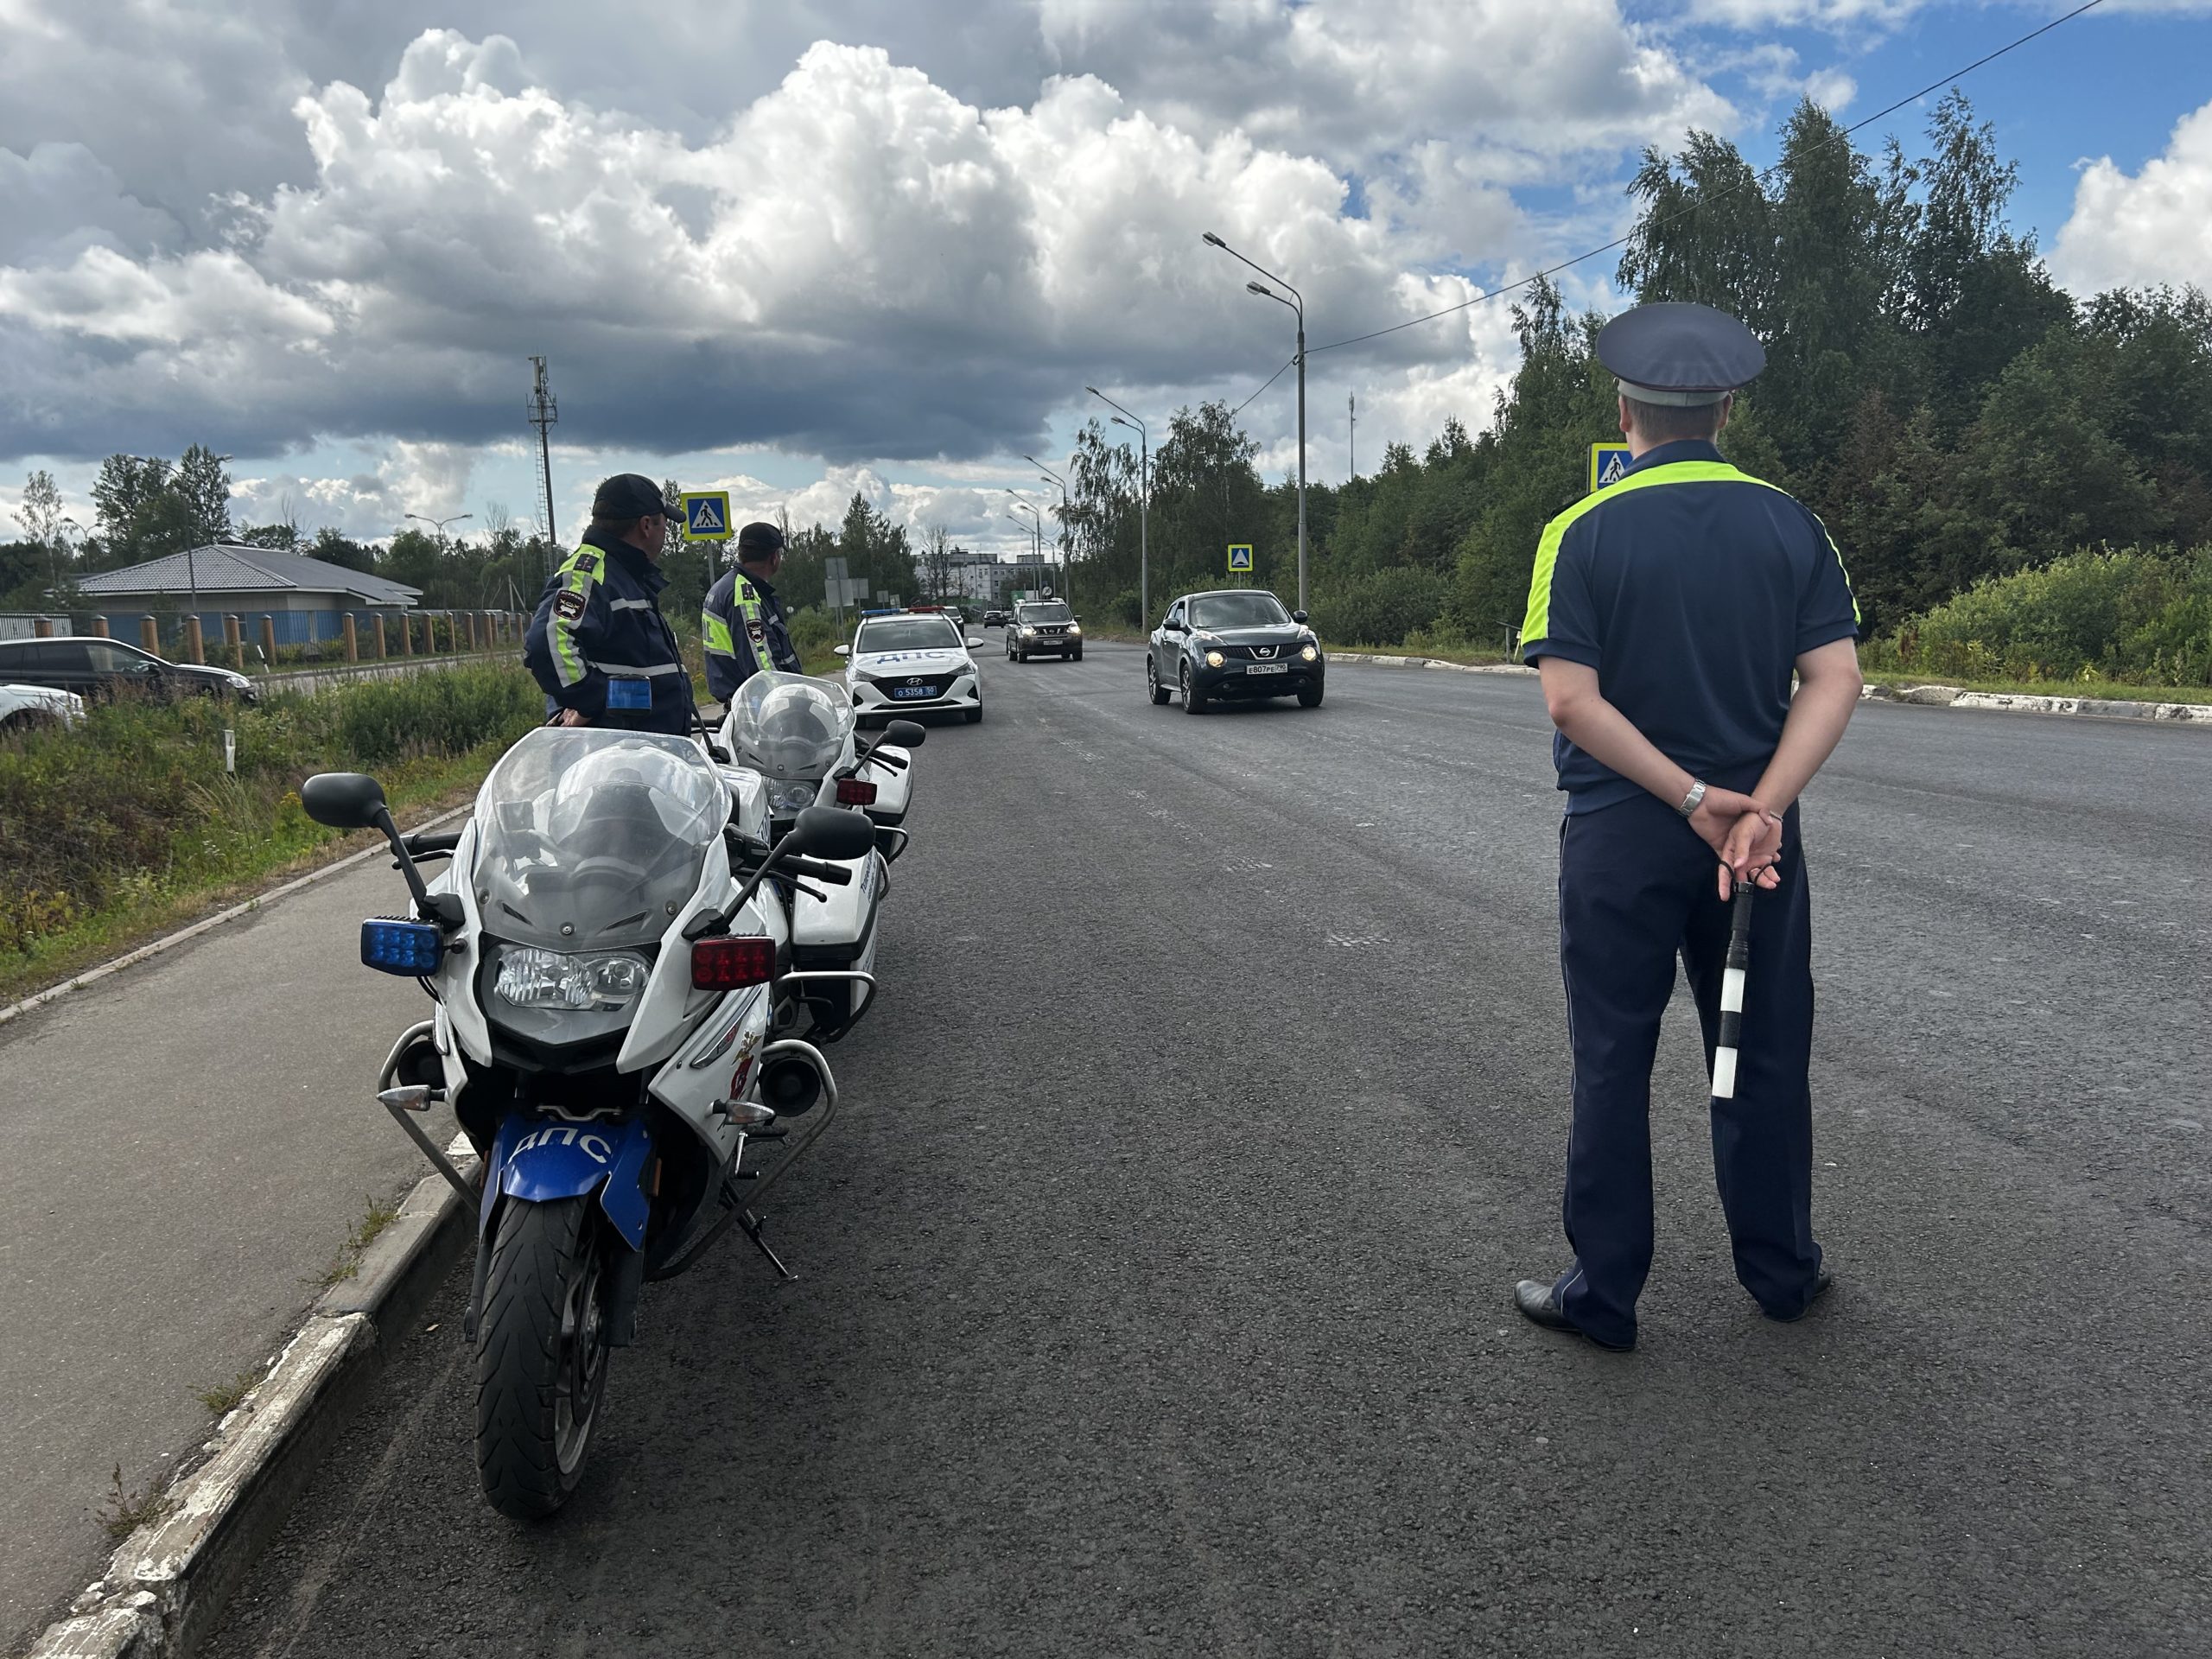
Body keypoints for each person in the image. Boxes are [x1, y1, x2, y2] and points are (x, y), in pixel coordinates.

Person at [1512, 301, 1864, 1353]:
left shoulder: (1576, 531)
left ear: (1626, 414)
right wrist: (1757, 804)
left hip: (1625, 835)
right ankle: (1780, 1272)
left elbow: (1571, 701)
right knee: (1753, 1046)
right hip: (1753, 848)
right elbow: (1833, 678)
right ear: (1724, 414)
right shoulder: (1791, 524)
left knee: (1613, 1053)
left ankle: (1605, 1293)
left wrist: (1687, 799)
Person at [523, 473, 695, 736]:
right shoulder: (590, 573)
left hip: (647, 749)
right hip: (619, 756)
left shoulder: (626, 574)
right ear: (646, 525)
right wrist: (593, 700)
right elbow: (546, 643)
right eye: (664, 524)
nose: (665, 532)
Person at [702, 521, 803, 704]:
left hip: (742, 701)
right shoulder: (744, 594)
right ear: (774, 557)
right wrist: (788, 703)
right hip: (759, 707)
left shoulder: (723, 586)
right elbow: (762, 666)